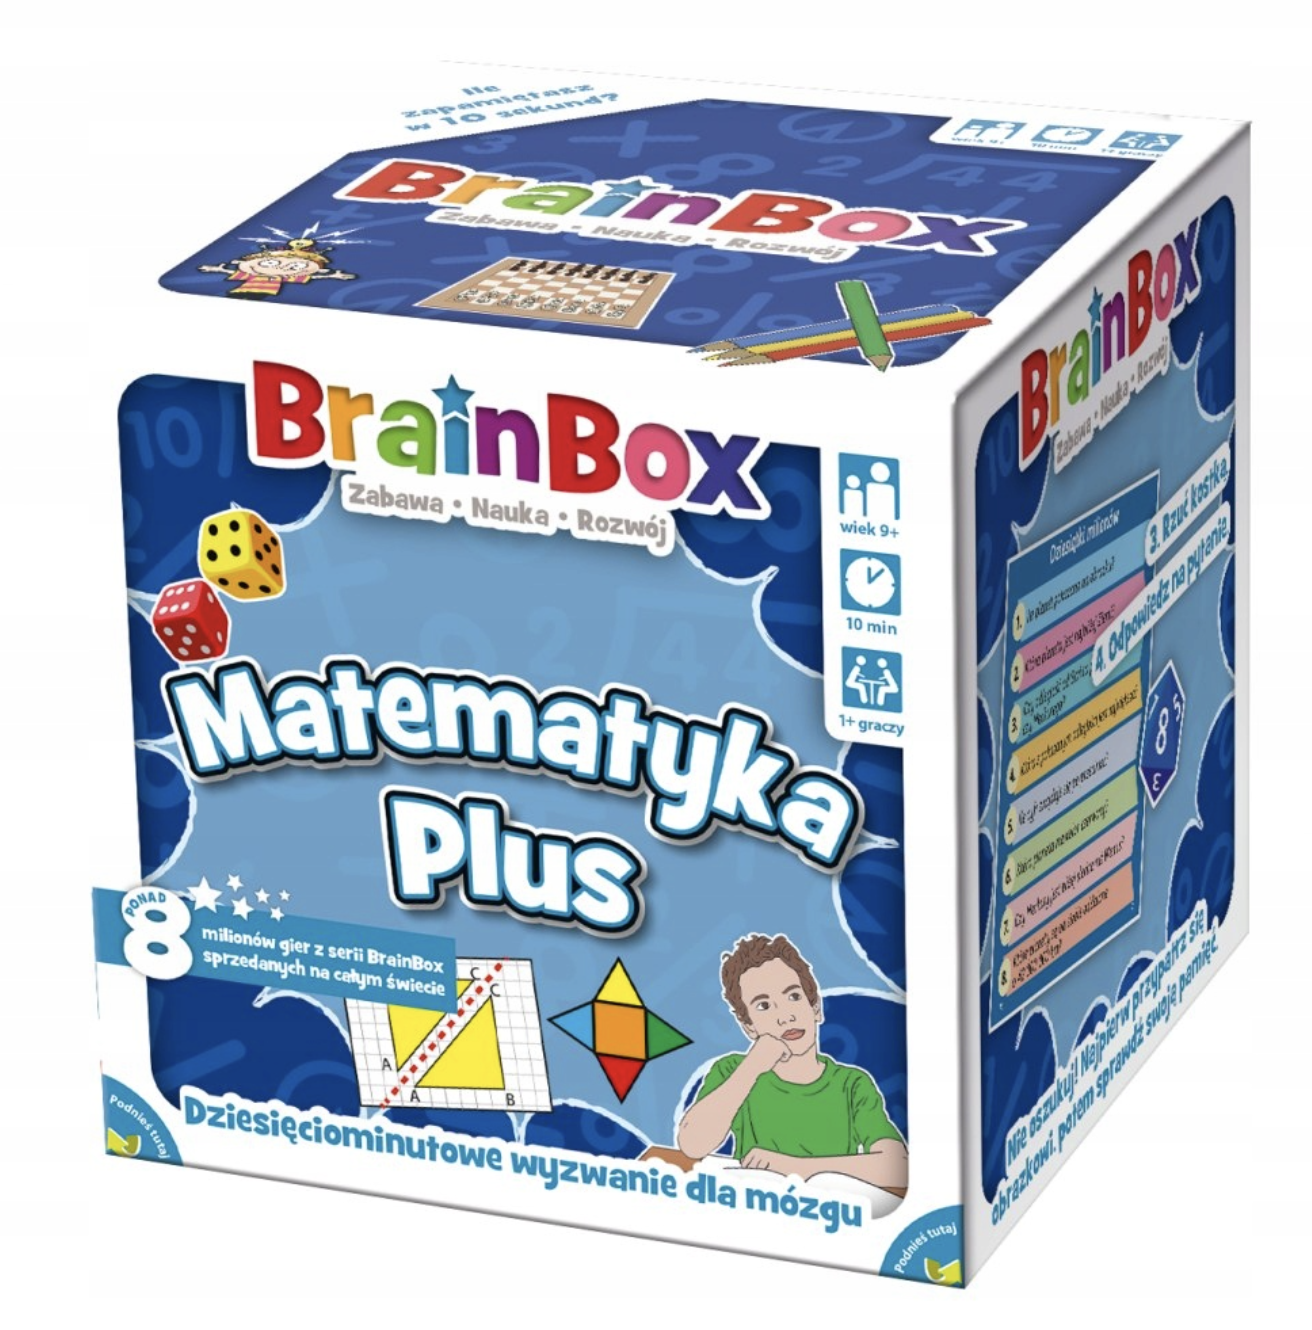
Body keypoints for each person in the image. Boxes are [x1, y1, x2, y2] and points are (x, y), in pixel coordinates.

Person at [677, 934, 907, 1191]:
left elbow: (896, 1166)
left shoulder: (852, 1084)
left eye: (794, 996)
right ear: (749, 1027)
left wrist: (797, 1168)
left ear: (816, 1008)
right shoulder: (734, 1071)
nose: (785, 1016)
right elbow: (692, 1145)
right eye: (764, 1006)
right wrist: (753, 1065)